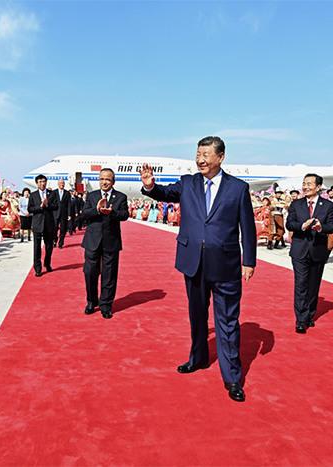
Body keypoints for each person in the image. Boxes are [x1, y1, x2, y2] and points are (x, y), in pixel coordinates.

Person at [140, 136, 256, 403]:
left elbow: (247, 227)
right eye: (198, 154)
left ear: (220, 157)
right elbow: (164, 193)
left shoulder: (238, 188)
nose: (200, 159)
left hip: (226, 265)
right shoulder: (188, 183)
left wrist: (249, 260)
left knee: (227, 322)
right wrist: (150, 185)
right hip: (193, 263)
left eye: (206, 154)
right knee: (197, 316)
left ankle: (233, 377)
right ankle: (198, 358)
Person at [286, 174, 333, 334]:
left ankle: (309, 315)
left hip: (318, 250)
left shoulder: (328, 205)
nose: (305, 187)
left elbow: (332, 226)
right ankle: (301, 320)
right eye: (304, 183)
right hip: (299, 250)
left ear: (318, 187)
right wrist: (302, 226)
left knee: (313, 285)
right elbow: (289, 223)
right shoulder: (296, 204)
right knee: (301, 284)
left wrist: (321, 227)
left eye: (309, 184)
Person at [80, 169, 129, 319]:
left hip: (111, 241)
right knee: (90, 272)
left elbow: (125, 215)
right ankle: (91, 301)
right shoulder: (92, 195)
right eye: (101, 179)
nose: (104, 182)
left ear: (113, 181)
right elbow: (85, 213)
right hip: (92, 240)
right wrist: (97, 210)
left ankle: (106, 305)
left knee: (109, 274)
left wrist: (112, 212)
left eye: (107, 179)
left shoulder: (121, 197)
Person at [27, 175, 58, 277]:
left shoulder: (52, 194)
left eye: (44, 181)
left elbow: (56, 206)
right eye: (40, 182)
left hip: (49, 224)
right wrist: (40, 207)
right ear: (37, 183)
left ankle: (47, 263)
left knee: (49, 246)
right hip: (37, 224)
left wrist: (47, 205)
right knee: (37, 247)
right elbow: (30, 209)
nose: (42, 183)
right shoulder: (33, 195)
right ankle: (38, 268)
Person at [52, 179, 71, 248]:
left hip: (64, 214)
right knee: (54, 229)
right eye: (60, 183)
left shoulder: (67, 193)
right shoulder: (54, 192)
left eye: (63, 183)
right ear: (58, 184)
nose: (62, 184)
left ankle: (61, 243)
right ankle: (54, 240)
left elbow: (69, 204)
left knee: (63, 229)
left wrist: (69, 214)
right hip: (55, 213)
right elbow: (50, 202)